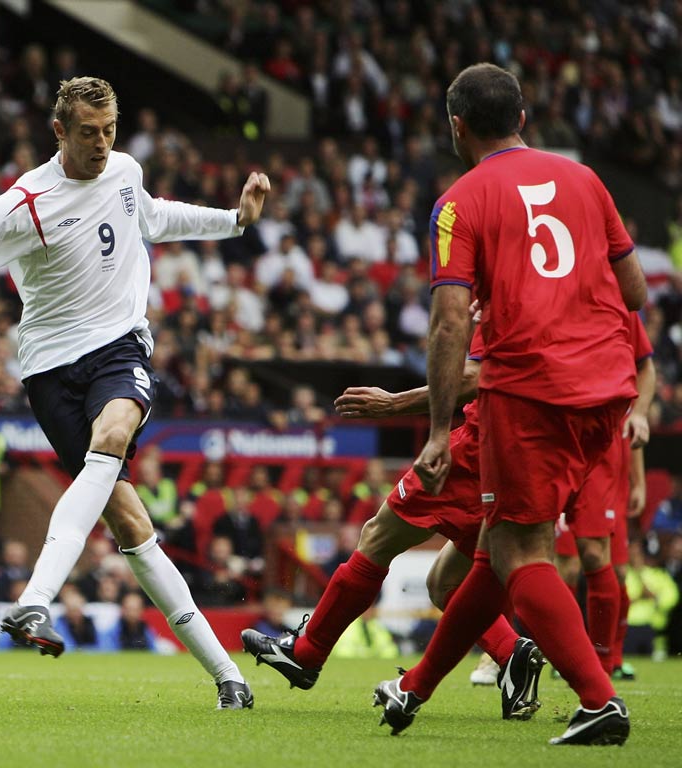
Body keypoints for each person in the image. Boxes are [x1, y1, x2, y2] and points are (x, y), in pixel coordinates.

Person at [0, 76, 268, 709]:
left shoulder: (124, 171)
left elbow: (153, 217)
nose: (101, 145)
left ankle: (33, 602)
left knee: (114, 432)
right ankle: (228, 676)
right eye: (89, 133)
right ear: (59, 133)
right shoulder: (25, 205)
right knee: (130, 522)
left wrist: (234, 221)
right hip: (49, 371)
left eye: (109, 132)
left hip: (120, 347)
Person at [371, 63, 645, 746]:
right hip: (608, 391)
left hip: (531, 391)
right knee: (496, 553)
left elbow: (450, 322)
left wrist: (436, 429)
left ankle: (599, 698)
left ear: (456, 126)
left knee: (523, 552)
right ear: (523, 118)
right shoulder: (585, 179)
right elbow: (635, 290)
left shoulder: (459, 202)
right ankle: (414, 687)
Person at [242, 325, 541, 722]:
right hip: (526, 457)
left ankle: (307, 654)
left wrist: (394, 404)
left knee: (377, 537)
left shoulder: (508, 295)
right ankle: (514, 655)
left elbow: (474, 377)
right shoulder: (568, 300)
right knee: (447, 584)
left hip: (478, 450)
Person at [553, 312, 656, 680]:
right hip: (557, 438)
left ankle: (606, 659)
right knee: (553, 562)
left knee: (604, 559)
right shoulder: (554, 295)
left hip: (603, 450)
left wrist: (639, 482)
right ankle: (558, 652)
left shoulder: (621, 309)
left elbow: (642, 384)